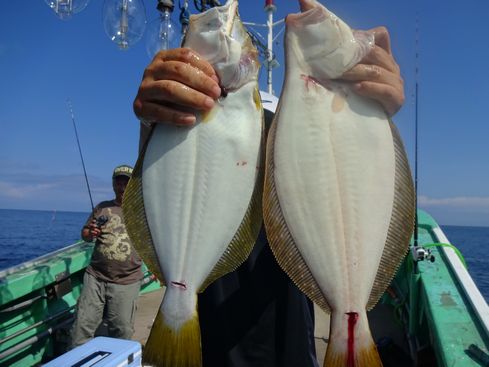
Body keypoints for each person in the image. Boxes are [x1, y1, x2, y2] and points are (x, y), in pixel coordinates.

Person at [133, 24, 404, 366]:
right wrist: (152, 119)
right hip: (210, 344)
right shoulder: (192, 116)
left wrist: (371, 117)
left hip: (291, 346)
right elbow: (169, 180)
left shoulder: (301, 136)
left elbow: (347, 182)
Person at [69, 165, 143, 349]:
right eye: (119, 181)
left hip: (127, 281)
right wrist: (90, 233)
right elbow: (85, 234)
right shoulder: (102, 208)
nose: (122, 185)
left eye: (126, 181)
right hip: (96, 277)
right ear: (113, 183)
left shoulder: (143, 210)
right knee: (81, 327)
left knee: (122, 330)